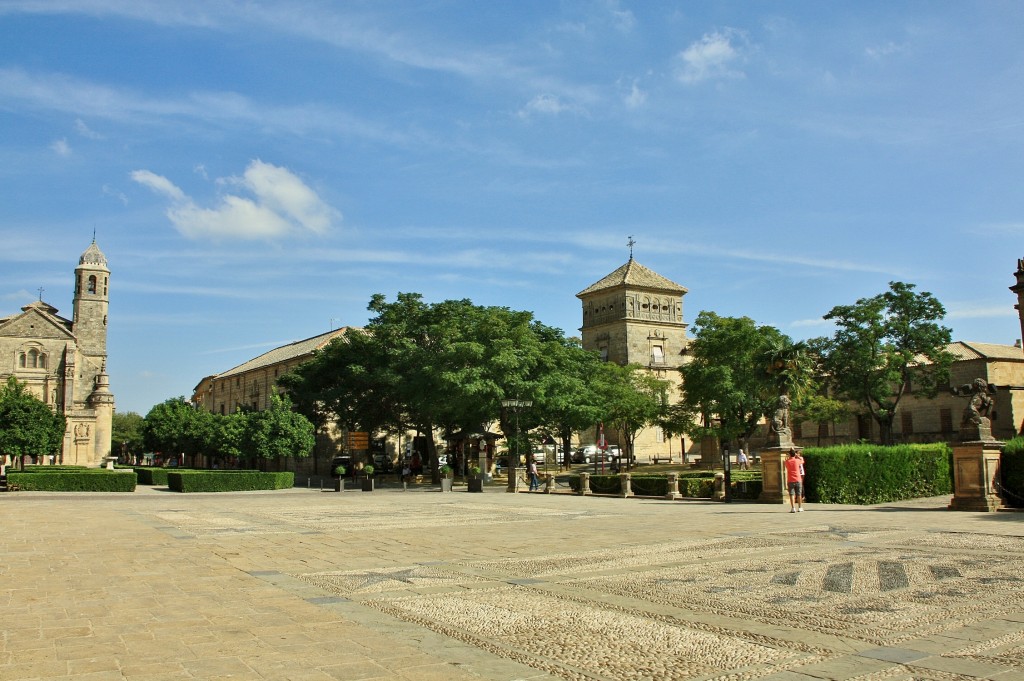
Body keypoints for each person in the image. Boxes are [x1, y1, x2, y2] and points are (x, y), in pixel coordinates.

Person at [784, 448, 804, 513]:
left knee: (792, 494)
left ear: (789, 454)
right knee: (799, 494)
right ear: (794, 454)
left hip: (790, 479)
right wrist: (797, 456)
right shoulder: (797, 461)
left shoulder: (787, 461)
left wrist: (788, 458)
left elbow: (786, 463)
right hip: (798, 479)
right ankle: (800, 507)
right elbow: (802, 460)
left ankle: (793, 508)